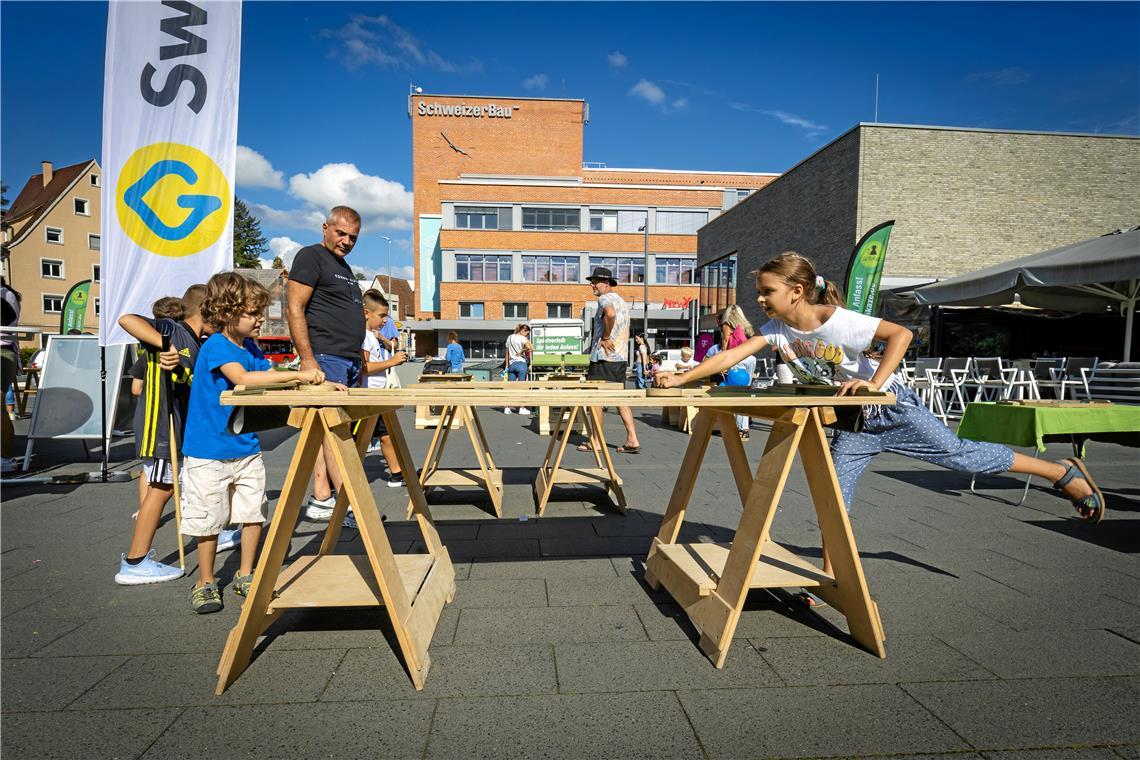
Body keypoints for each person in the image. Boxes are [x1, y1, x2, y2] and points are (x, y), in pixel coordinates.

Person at [655, 251, 1107, 606]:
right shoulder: (777, 329)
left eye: (767, 290)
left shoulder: (841, 321)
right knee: (833, 496)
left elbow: (901, 336)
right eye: (760, 291)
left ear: (796, 291)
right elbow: (730, 356)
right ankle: (835, 579)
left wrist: (872, 382)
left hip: (893, 409)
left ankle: (1060, 472)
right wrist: (681, 377)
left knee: (964, 456)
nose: (759, 298)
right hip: (853, 424)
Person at [181, 273, 329, 613]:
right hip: (208, 451)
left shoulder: (249, 347)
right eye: (252, 312)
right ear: (227, 312)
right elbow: (244, 380)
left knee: (252, 514)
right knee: (209, 519)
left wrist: (316, 385)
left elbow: (271, 378)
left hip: (245, 447)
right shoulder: (217, 345)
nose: (260, 317)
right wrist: (299, 374)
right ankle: (205, 581)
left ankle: (246, 574)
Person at [114, 286, 248, 586]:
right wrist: (164, 346)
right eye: (220, 313)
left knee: (187, 483)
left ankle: (213, 530)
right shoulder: (171, 328)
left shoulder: (200, 344)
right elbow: (127, 319)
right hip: (161, 423)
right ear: (206, 310)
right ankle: (135, 561)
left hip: (181, 426)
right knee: (162, 486)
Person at [286, 206, 366, 523]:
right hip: (324, 357)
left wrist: (358, 356)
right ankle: (354, 507)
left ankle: (323, 497)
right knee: (336, 434)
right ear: (325, 227)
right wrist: (307, 359)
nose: (346, 241)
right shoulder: (311, 257)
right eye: (341, 233)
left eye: (353, 237)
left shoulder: (344, 267)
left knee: (329, 431)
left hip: (347, 359)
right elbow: (294, 307)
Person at [580, 266, 640, 453]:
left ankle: (596, 440)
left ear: (606, 283)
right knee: (620, 398)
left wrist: (605, 337)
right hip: (620, 357)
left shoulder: (605, 298)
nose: (592, 285)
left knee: (594, 399)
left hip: (603, 358)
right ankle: (632, 439)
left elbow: (610, 314)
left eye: (595, 282)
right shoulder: (622, 301)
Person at [361, 289, 409, 491]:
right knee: (362, 440)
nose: (384, 321)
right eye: (381, 316)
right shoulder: (363, 336)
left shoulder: (372, 336)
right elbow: (364, 367)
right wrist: (391, 361)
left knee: (386, 435)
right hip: (367, 397)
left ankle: (397, 473)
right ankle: (339, 482)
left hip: (376, 395)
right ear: (366, 313)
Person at [720, 304, 758, 440]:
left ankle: (741, 428)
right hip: (750, 359)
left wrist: (722, 362)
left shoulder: (726, 324)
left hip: (737, 358)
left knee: (738, 394)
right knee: (746, 393)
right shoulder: (745, 325)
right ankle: (745, 425)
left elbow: (725, 342)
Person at [1, 277, 21, 473]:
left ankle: (6, 458)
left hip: (2, 350)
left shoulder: (6, 295)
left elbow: (7, 321)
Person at [503, 323, 532, 415]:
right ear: (523, 331)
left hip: (511, 365)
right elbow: (531, 348)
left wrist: (507, 365)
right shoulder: (522, 338)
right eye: (527, 333)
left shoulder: (510, 337)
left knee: (509, 388)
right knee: (522, 387)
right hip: (521, 364)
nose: (526, 335)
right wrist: (521, 351)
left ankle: (507, 408)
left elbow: (507, 352)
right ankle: (522, 408)